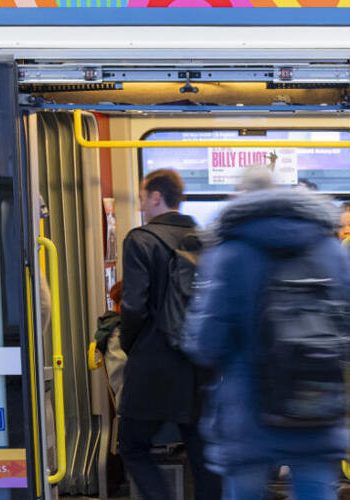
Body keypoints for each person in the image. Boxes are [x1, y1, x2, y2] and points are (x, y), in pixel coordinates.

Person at [181, 185, 350, 500]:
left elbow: (205, 344)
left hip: (247, 418)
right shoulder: (334, 251)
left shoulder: (228, 254)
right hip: (317, 409)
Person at [119, 169, 220, 500]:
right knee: (203, 457)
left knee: (132, 446)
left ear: (156, 197)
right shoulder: (206, 240)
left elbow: (134, 306)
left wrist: (129, 345)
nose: (142, 205)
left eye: (142, 198)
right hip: (200, 363)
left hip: (153, 362)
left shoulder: (140, 239)